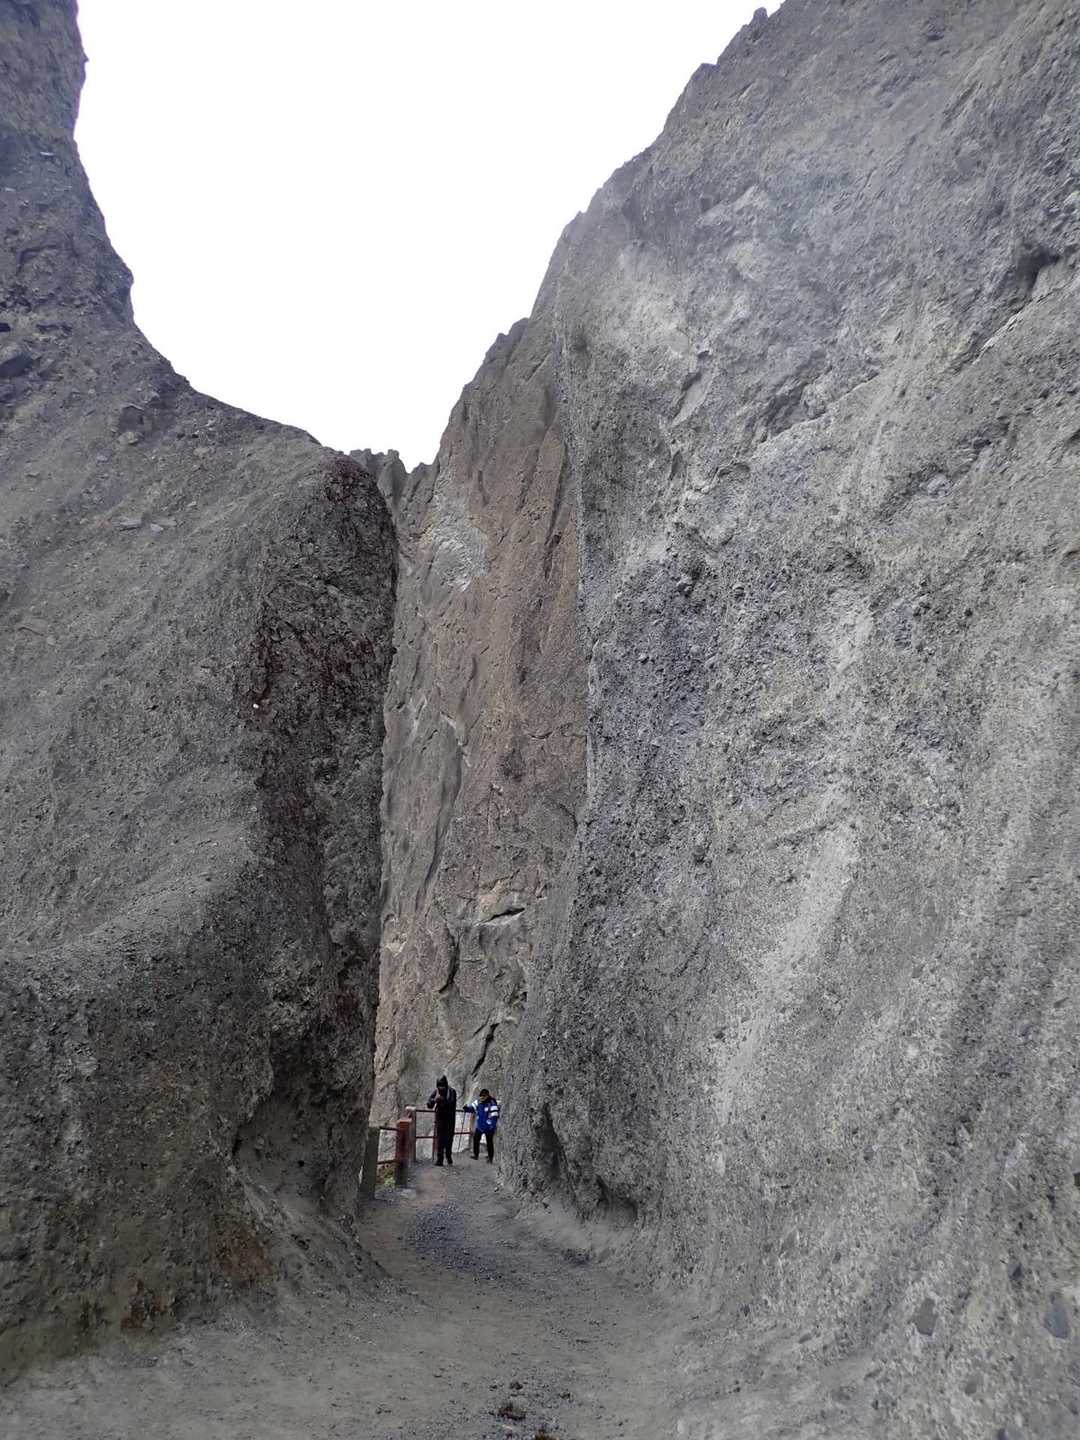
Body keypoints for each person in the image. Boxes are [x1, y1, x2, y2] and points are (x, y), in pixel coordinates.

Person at [426, 1075, 457, 1166]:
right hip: (440, 1119)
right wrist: (434, 1100)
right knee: (440, 1139)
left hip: (450, 1119)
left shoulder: (452, 1092)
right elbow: (429, 1104)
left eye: (442, 1085)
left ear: (446, 1085)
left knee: (449, 1139)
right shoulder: (436, 1092)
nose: (441, 1088)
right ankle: (440, 1159)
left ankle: (448, 1155)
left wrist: (442, 1100)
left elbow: (452, 1103)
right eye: (439, 1086)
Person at [464, 1089, 499, 1163]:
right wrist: (466, 1109)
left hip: (488, 1127)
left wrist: (492, 1126)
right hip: (480, 1126)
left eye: (483, 1097)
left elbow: (494, 1116)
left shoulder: (492, 1103)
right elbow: (472, 1108)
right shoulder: (478, 1101)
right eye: (481, 1096)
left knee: (489, 1142)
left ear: (487, 1096)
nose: (482, 1098)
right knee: (476, 1139)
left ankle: (490, 1158)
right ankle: (475, 1155)